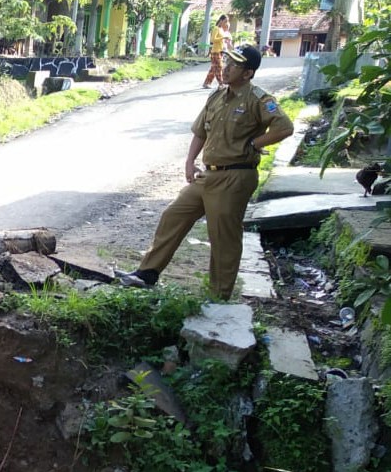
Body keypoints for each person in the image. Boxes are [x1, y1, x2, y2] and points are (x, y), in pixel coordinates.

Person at [117, 45, 294, 300]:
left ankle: (218, 295)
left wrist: (254, 144)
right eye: (228, 61)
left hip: (235, 176)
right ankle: (147, 273)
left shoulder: (258, 99)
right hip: (207, 175)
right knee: (173, 215)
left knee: (223, 237)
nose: (227, 67)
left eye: (235, 65)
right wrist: (190, 161)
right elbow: (201, 131)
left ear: (248, 73)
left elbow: (284, 127)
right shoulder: (217, 97)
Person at [201, 14, 232, 89]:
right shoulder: (216, 28)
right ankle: (221, 83)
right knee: (219, 67)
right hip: (215, 51)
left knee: (214, 69)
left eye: (226, 22)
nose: (225, 23)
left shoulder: (221, 29)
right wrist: (223, 37)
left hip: (220, 51)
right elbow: (213, 40)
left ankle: (206, 83)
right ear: (221, 21)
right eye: (225, 21)